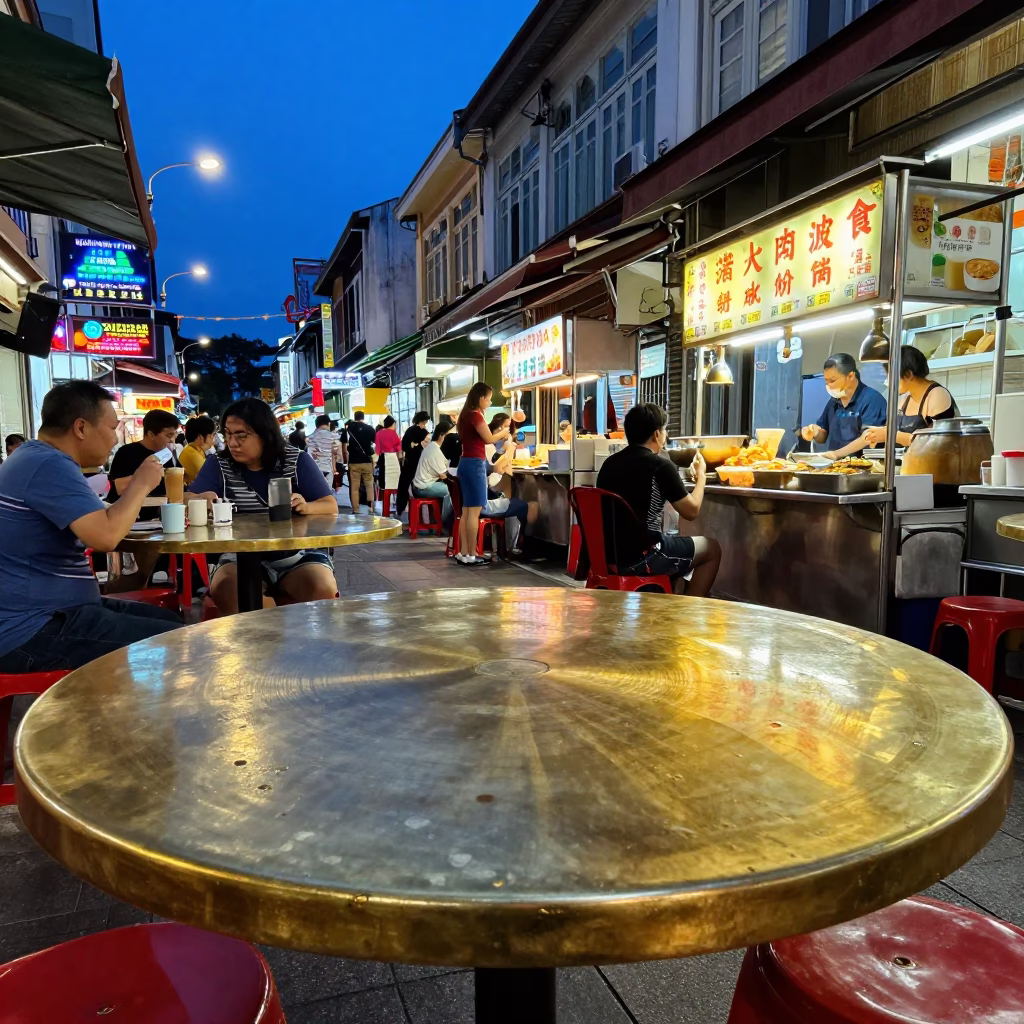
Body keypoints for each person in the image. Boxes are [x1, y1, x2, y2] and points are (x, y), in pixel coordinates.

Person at [0, 381, 180, 673]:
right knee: (182, 642)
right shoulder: (49, 464)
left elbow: (97, 519)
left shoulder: (34, 457)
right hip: (30, 628)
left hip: (52, 612)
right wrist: (141, 484)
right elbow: (106, 536)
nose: (114, 438)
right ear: (81, 428)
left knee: (174, 624)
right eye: (111, 428)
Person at [185, 398, 339, 615]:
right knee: (226, 588)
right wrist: (200, 498)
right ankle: (269, 641)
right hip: (238, 557)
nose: (232, 443)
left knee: (321, 587)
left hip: (297, 556)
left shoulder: (295, 460)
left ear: (265, 434)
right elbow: (187, 497)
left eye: (241, 435)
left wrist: (305, 506)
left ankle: (286, 639)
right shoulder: (219, 464)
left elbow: (330, 505)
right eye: (228, 434)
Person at [596, 403, 721, 597]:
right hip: (644, 556)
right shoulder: (660, 466)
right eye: (664, 431)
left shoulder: (609, 464)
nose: (665, 436)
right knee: (712, 548)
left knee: (676, 547)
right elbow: (692, 511)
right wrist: (702, 476)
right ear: (656, 434)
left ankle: (672, 603)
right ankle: (693, 612)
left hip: (606, 556)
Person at [456, 383, 510, 566]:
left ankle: (463, 552)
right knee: (474, 511)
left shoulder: (465, 415)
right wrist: (503, 433)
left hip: (465, 463)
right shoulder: (475, 415)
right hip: (474, 464)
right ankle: (471, 554)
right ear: (481, 398)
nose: (490, 401)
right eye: (488, 398)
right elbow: (488, 439)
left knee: (466, 511)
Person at [861, 346, 958, 448]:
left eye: (891, 375)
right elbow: (893, 430)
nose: (889, 381)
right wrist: (877, 434)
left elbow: (941, 442)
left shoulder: (937, 395)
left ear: (908, 375)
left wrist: (892, 436)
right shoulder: (906, 398)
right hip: (909, 462)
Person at [800, 353, 887, 461]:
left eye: (832, 381)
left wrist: (836, 454)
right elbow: (823, 436)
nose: (828, 386)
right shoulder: (834, 401)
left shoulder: (872, 400)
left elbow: (869, 438)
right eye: (826, 381)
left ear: (850, 376)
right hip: (835, 467)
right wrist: (814, 431)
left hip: (863, 468)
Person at [106, 408, 181, 517]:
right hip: (131, 519)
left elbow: (178, 490)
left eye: (175, 435)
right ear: (151, 435)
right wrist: (145, 476)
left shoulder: (167, 456)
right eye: (169, 436)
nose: (173, 440)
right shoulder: (126, 453)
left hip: (163, 517)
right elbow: (119, 488)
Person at [396, 411, 431, 515]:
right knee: (416, 486)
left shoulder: (410, 430)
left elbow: (404, 446)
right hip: (420, 463)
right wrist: (418, 446)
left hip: (409, 461)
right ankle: (420, 513)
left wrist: (414, 445)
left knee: (404, 485)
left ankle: (401, 508)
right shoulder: (425, 432)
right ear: (423, 420)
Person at [412, 422, 453, 500]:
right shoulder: (434, 450)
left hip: (421, 484)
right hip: (423, 487)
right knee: (452, 489)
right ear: (442, 435)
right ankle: (449, 512)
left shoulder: (432, 446)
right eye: (449, 436)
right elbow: (443, 475)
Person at [345, 411, 376, 513]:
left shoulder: (348, 429)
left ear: (355, 417)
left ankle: (356, 508)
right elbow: (375, 443)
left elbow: (344, 447)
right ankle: (371, 507)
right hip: (367, 461)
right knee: (369, 484)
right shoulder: (370, 429)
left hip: (354, 462)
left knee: (355, 487)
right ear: (363, 417)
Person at [179, 415, 216, 486]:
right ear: (201, 437)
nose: (213, 438)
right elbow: (209, 481)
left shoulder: (195, 450)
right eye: (211, 435)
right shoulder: (191, 454)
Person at [306, 414, 337, 484]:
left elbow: (309, 456)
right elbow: (333, 453)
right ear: (329, 424)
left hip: (315, 470)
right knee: (328, 492)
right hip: (328, 469)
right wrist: (334, 467)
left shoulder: (310, 437)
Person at [375, 415, 402, 485]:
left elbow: (377, 450)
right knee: (395, 481)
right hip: (393, 459)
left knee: (383, 481)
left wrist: (375, 462)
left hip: (382, 459)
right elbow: (399, 450)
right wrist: (400, 460)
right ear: (393, 424)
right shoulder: (394, 434)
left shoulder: (378, 433)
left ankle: (383, 495)